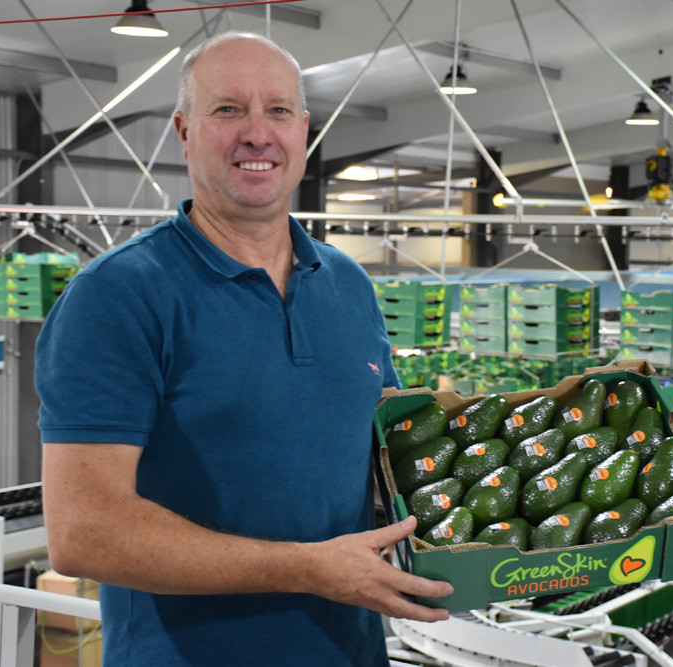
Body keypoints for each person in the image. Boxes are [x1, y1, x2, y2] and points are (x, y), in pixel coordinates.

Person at [35, 31, 452, 666]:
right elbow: (84, 533)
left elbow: (386, 461)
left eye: (279, 111)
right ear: (183, 130)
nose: (258, 133)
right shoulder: (117, 295)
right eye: (228, 109)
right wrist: (309, 569)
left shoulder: (347, 283)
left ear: (304, 132)